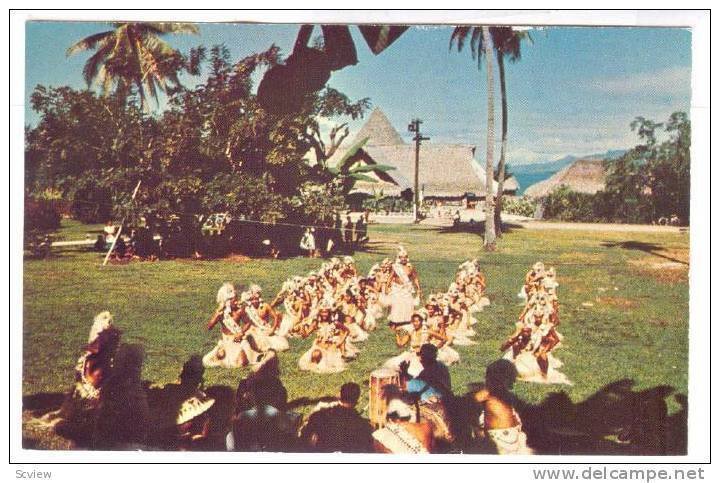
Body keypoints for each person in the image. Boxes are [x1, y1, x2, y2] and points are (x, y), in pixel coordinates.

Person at [473, 359, 534, 455]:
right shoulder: (495, 394)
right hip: (506, 436)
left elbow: (468, 403)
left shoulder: (498, 394)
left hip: (508, 437)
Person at [300, 383, 374, 453]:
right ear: (357, 400)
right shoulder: (362, 426)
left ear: (340, 396)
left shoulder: (319, 415)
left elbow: (304, 437)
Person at [385, 246, 421, 328]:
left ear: (407, 258)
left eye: (405, 257)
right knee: (397, 305)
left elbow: (415, 278)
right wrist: (387, 288)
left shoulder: (410, 267)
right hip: (397, 289)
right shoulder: (395, 267)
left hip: (406, 289)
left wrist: (419, 289)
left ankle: (406, 321)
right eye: (402, 257)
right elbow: (390, 278)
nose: (403, 259)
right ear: (399, 258)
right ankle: (394, 322)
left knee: (407, 304)